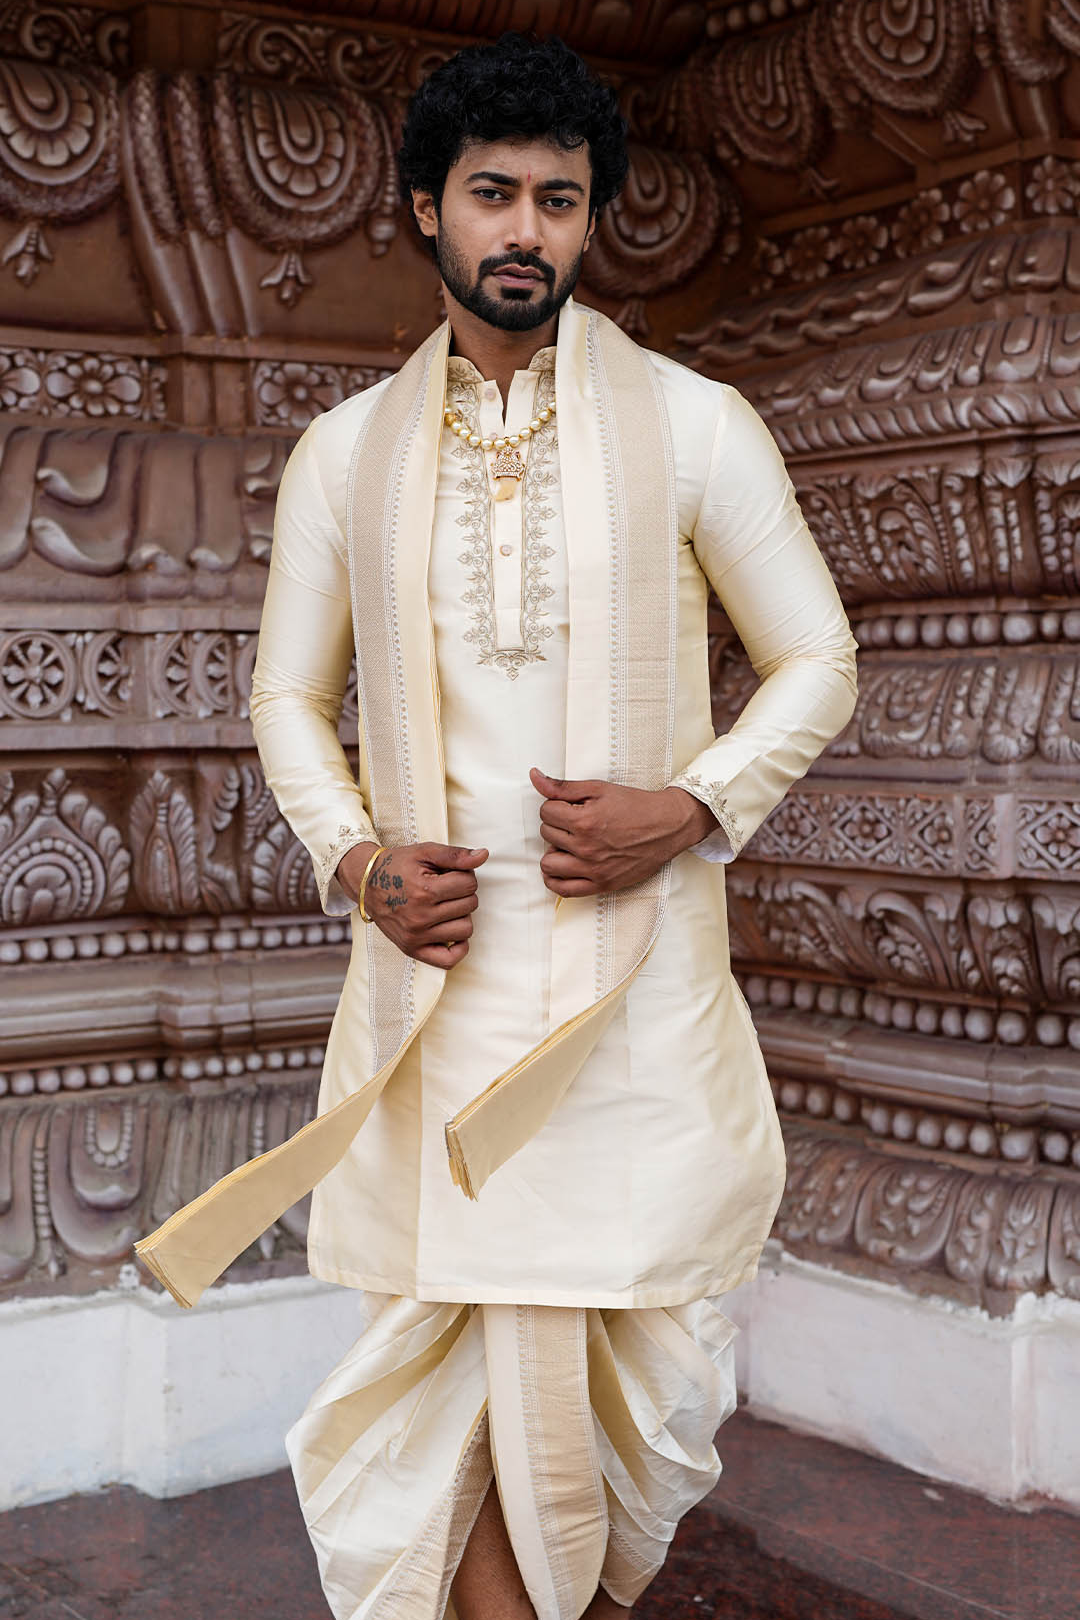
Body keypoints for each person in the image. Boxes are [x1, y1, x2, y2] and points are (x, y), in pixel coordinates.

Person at [135, 31, 858, 1620]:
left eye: (558, 200)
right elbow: (280, 700)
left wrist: (696, 802)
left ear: (590, 222)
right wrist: (359, 860)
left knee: (644, 1426)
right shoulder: (346, 457)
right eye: (492, 196)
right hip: (441, 1012)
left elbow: (820, 656)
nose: (526, 231)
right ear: (425, 211)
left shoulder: (696, 424)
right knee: (457, 1436)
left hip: (640, 1016)